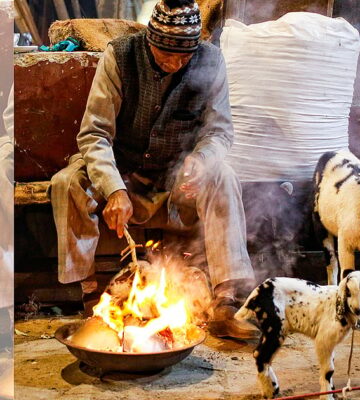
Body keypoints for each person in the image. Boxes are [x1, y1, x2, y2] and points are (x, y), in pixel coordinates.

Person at [50, 0, 257, 339]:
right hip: (122, 171)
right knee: (67, 182)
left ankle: (226, 303)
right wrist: (114, 189)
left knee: (223, 175)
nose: (175, 63)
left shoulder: (210, 60)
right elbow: (95, 133)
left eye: (184, 57)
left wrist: (201, 160)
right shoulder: (120, 56)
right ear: (150, 42)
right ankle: (90, 298)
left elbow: (219, 132)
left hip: (175, 179)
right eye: (166, 55)